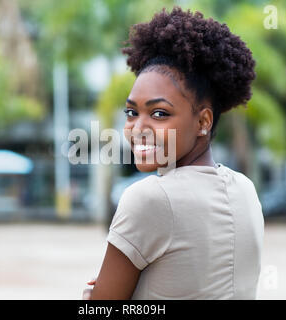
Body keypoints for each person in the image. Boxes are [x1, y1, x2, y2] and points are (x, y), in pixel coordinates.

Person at [83, 6, 264, 300]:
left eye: (159, 113)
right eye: (131, 112)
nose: (138, 128)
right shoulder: (245, 189)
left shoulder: (149, 198)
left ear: (203, 121)